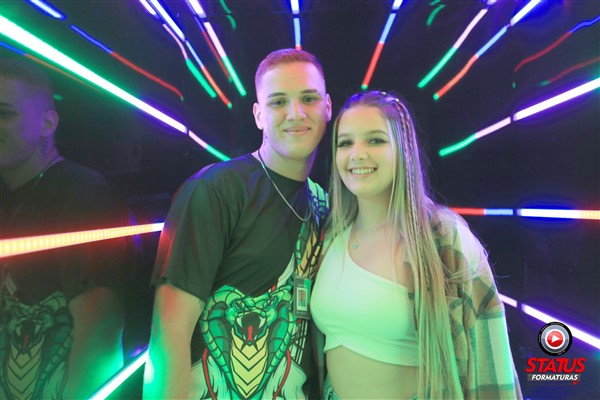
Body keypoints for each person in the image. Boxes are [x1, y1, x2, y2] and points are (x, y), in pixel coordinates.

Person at [144, 49, 332, 399]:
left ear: (327, 107)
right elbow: (168, 335)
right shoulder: (215, 190)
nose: (296, 113)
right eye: (278, 102)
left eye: (308, 98)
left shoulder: (324, 203)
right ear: (259, 115)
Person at [311, 91, 522, 399]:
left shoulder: (443, 238)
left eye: (375, 140)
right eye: (345, 143)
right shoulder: (329, 235)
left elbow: (490, 357)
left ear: (404, 150)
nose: (357, 154)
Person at [0, 58, 135, 399]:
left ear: (48, 123)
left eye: (4, 113)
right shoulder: (12, 196)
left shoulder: (80, 196)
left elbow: (101, 333)